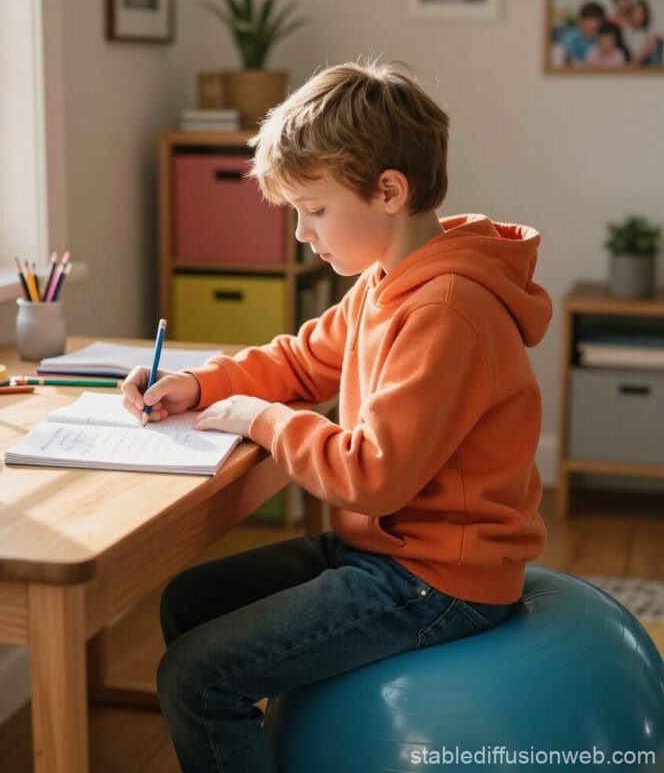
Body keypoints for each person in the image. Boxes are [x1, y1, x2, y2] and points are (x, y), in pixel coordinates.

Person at [122, 57, 552, 772]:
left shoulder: (448, 310)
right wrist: (197, 384)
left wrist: (262, 420)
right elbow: (298, 361)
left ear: (389, 191)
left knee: (196, 680)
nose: (300, 232)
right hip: (383, 552)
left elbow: (371, 476)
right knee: (192, 599)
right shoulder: (384, 284)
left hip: (438, 579)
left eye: (313, 210)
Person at [559, 0, 605, 65]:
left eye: (595, 27)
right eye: (589, 21)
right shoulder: (569, 36)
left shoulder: (602, 39)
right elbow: (564, 58)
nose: (593, 25)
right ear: (581, 20)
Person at [623, 0, 663, 66]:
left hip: (645, 60)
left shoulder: (650, 29)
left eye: (641, 13)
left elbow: (651, 44)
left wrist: (636, 60)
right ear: (630, 14)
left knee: (657, 43)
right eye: (635, 12)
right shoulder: (625, 29)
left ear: (645, 15)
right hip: (630, 60)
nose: (637, 16)